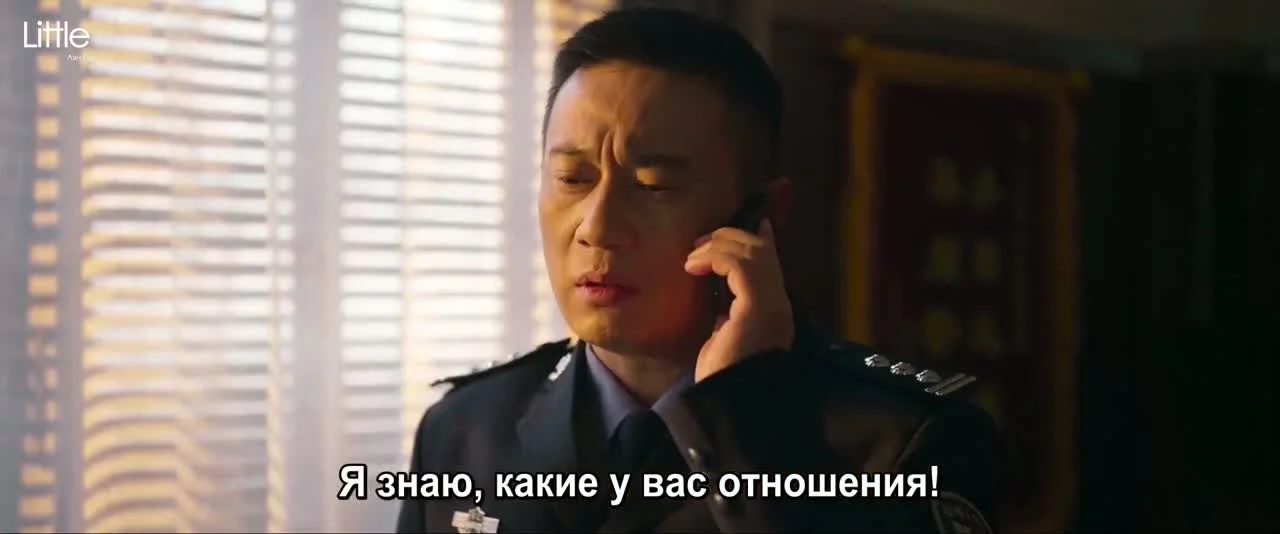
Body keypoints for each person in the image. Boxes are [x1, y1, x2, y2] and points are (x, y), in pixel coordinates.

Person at [396, 7, 997, 534]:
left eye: (654, 185)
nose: (596, 227)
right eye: (572, 178)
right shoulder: (465, 429)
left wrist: (740, 418)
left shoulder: (903, 440)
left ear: (761, 217)